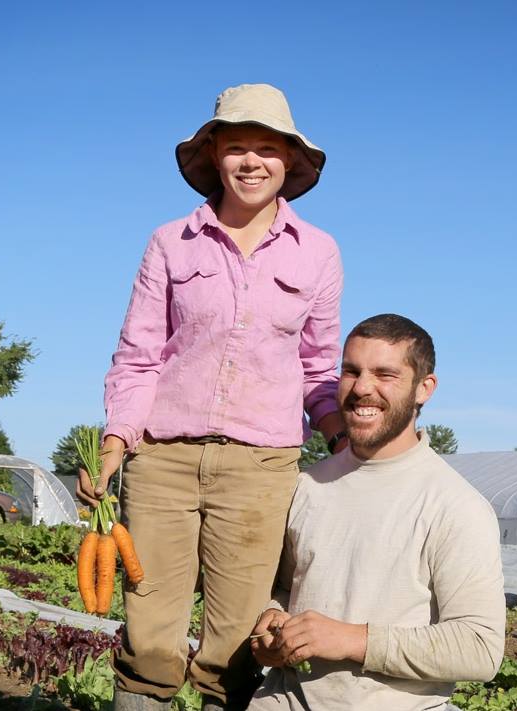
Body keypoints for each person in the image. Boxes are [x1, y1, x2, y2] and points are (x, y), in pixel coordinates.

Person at [77, 83, 346, 711]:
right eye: (237, 148)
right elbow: (139, 355)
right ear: (215, 157)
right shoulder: (172, 242)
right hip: (162, 460)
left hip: (260, 470)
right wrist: (115, 443)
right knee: (149, 635)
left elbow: (317, 367)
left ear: (289, 161)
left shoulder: (320, 254)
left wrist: (340, 440)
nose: (251, 162)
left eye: (267, 149)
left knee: (235, 643)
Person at [248, 314, 505, 711]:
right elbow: (285, 587)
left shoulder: (455, 505)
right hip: (287, 700)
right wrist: (272, 620)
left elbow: (479, 647)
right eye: (351, 372)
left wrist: (354, 640)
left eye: (385, 374)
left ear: (425, 388)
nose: (362, 388)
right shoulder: (307, 485)